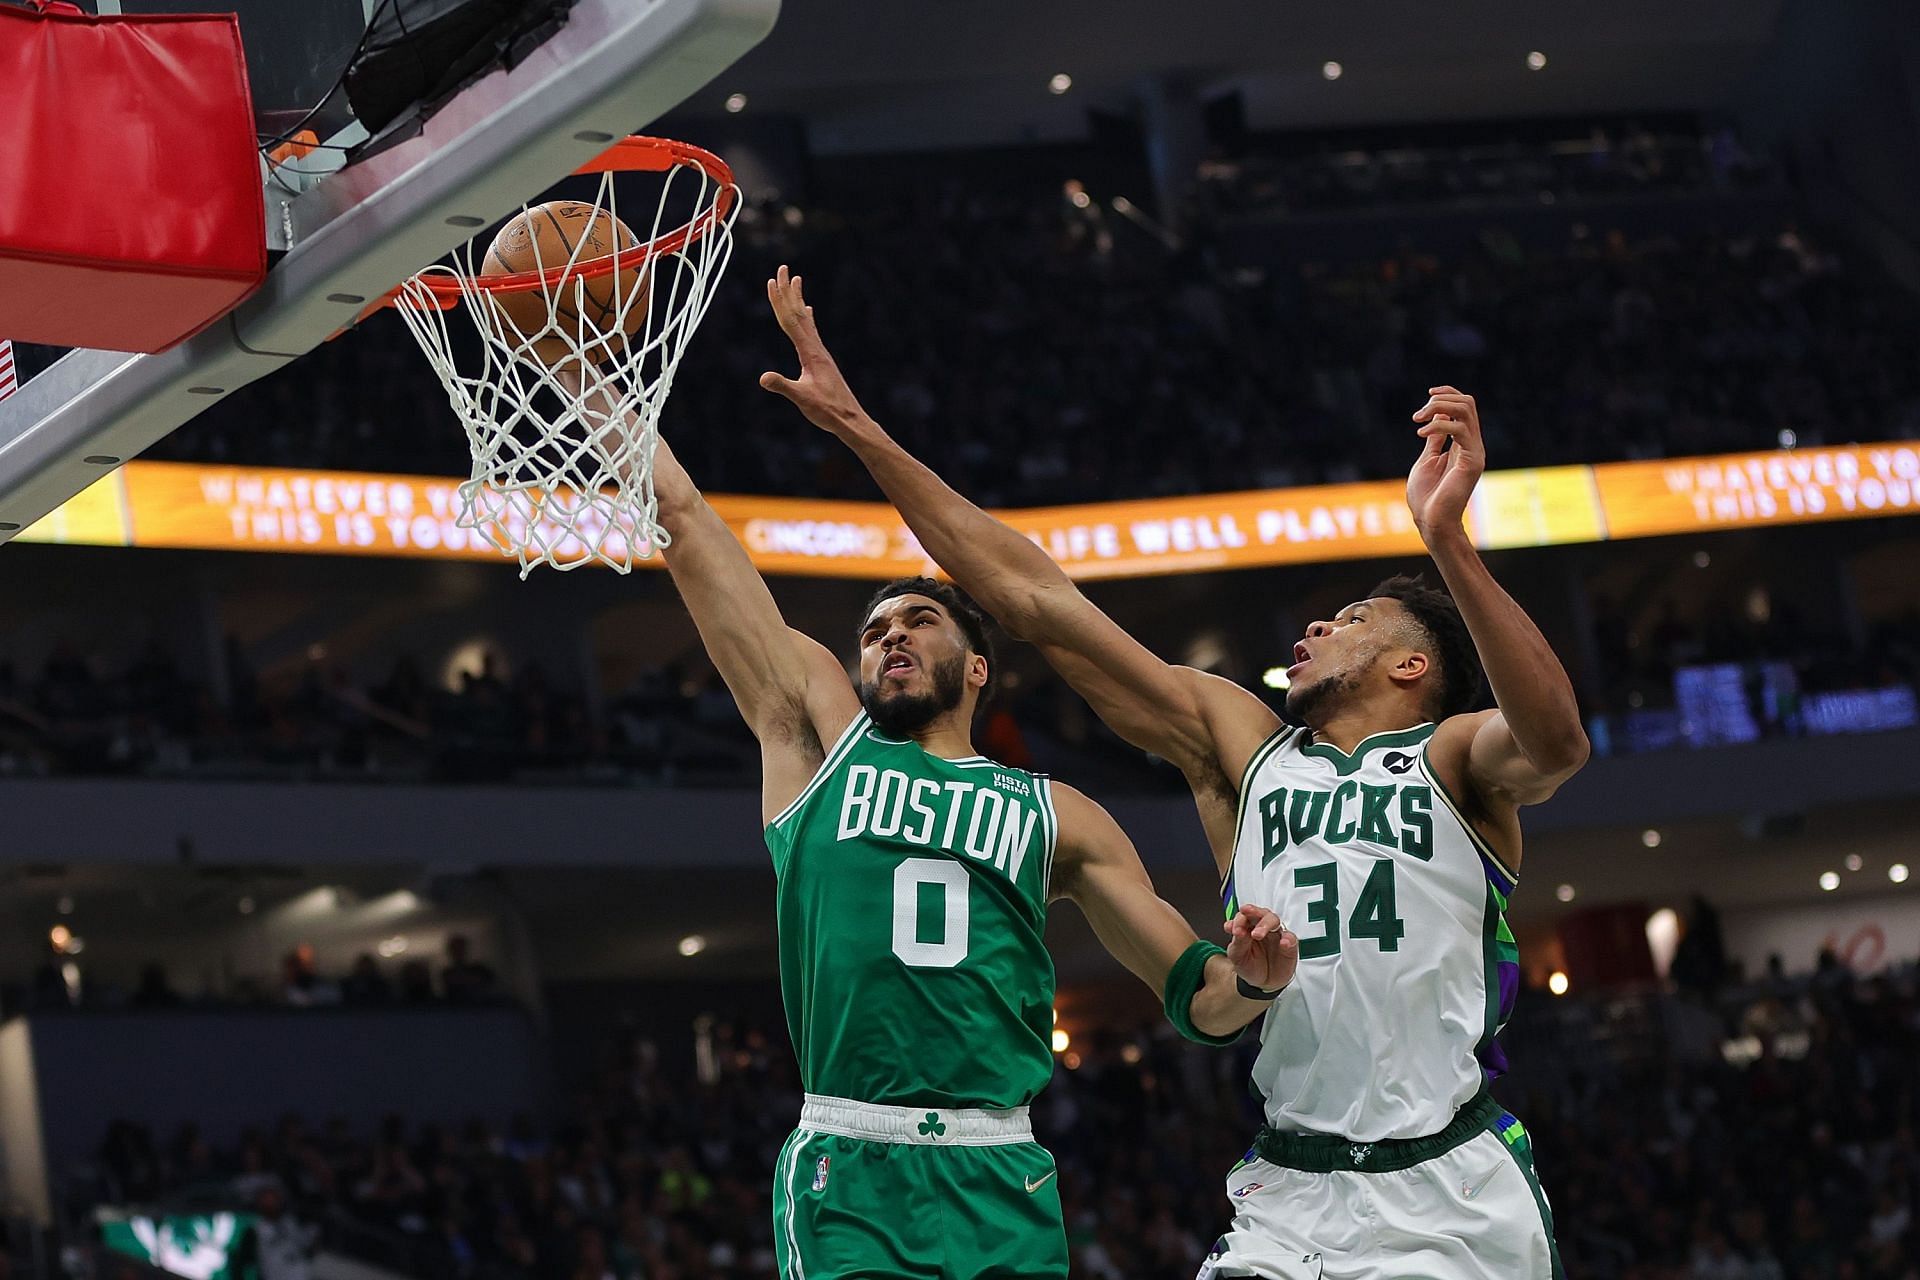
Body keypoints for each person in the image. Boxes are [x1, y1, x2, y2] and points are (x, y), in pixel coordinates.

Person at [758, 266, 1590, 1279]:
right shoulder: (1240, 744)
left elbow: (1556, 743)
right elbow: (1031, 596)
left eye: (1357, 619)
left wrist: (1448, 540)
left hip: (1452, 1183)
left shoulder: (1454, 757)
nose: (1319, 625)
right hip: (1295, 1188)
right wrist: (858, 428)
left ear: (1414, 668)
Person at [598, 305, 1297, 1280]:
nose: (889, 636)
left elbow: (1200, 998)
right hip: (855, 1155)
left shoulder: (1060, 813)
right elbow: (683, 520)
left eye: (919, 619)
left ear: (977, 669)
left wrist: (1258, 981)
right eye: (875, 628)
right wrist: (585, 372)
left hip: (1000, 1166)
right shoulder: (816, 744)